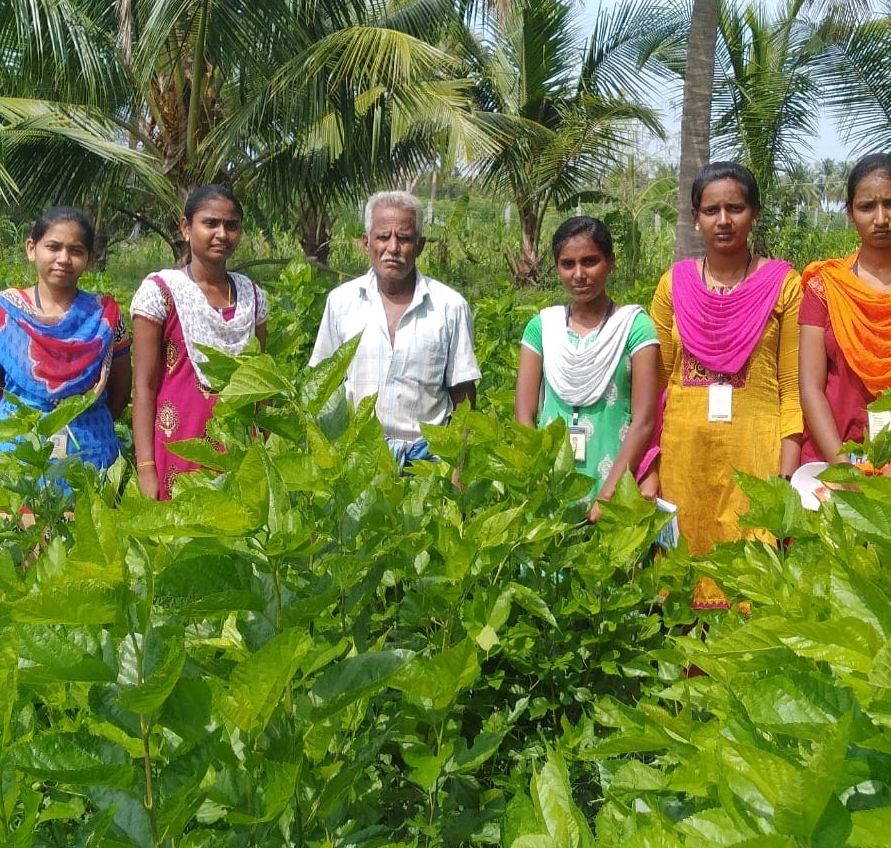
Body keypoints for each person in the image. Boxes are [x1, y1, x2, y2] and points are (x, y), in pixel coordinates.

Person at [650, 163, 802, 603]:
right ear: (695, 217)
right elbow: (657, 388)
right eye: (711, 209)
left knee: (750, 591)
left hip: (756, 463)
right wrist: (652, 468)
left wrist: (785, 477)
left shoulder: (783, 285)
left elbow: (790, 386)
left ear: (754, 212)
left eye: (734, 207)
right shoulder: (672, 286)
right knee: (681, 590)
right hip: (683, 463)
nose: (723, 220)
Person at [309, 190, 480, 465]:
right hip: (358, 457)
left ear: (420, 245)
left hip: (428, 461)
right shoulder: (341, 303)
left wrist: (459, 469)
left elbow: (463, 394)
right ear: (366, 243)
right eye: (382, 237)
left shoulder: (450, 306)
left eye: (404, 238)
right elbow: (324, 385)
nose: (393, 248)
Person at [799, 152, 891, 474]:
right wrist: (842, 466)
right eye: (866, 207)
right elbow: (810, 389)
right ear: (850, 212)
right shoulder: (826, 287)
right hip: (832, 462)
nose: (880, 218)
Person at [514, 216, 660, 523]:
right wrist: (540, 479)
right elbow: (524, 416)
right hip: (551, 479)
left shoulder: (634, 327)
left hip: (615, 478)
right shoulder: (542, 328)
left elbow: (644, 422)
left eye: (590, 261)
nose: (579, 274)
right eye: (568, 264)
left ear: (611, 263)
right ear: (557, 268)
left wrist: (608, 495)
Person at [131, 185, 268, 500]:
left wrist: (264, 448)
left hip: (238, 445)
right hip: (178, 445)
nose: (222, 233)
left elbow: (261, 384)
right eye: (211, 223)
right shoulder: (161, 291)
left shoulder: (253, 296)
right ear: (185, 228)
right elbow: (144, 387)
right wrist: (146, 466)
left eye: (231, 226)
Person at [0, 206, 131, 478]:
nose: (64, 258)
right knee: (12, 520)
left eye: (76, 250)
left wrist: (82, 419)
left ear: (89, 258)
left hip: (88, 455)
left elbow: (119, 396)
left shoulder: (105, 317)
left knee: (87, 520)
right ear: (31, 249)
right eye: (53, 247)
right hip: (16, 457)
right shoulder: (1, 314)